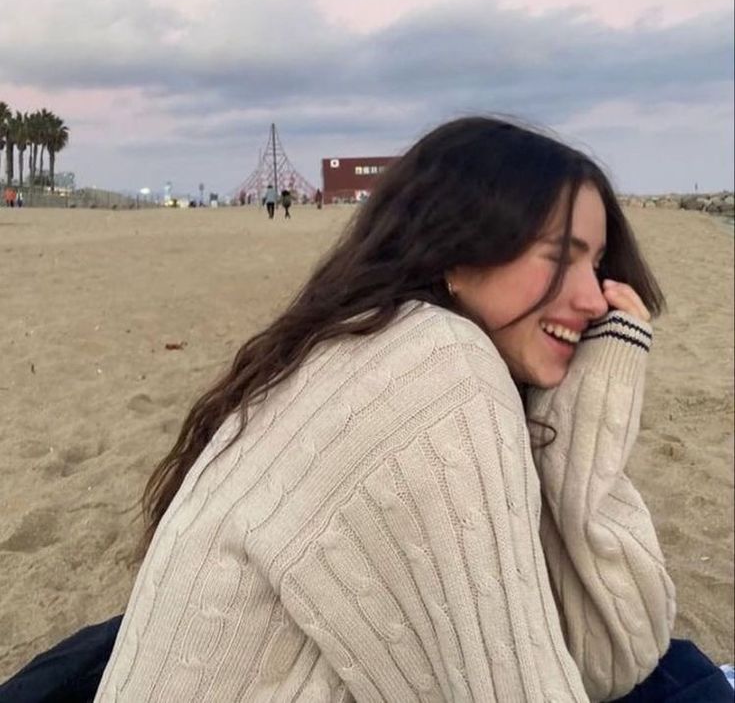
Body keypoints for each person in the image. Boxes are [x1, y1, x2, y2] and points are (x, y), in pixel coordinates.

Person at [3, 117, 731, 702]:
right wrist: (603, 387)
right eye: (557, 255)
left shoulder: (361, 341)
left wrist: (590, 381)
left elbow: (606, 654)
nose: (593, 296)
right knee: (684, 680)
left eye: (596, 265)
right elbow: (596, 662)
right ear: (458, 249)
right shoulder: (437, 366)